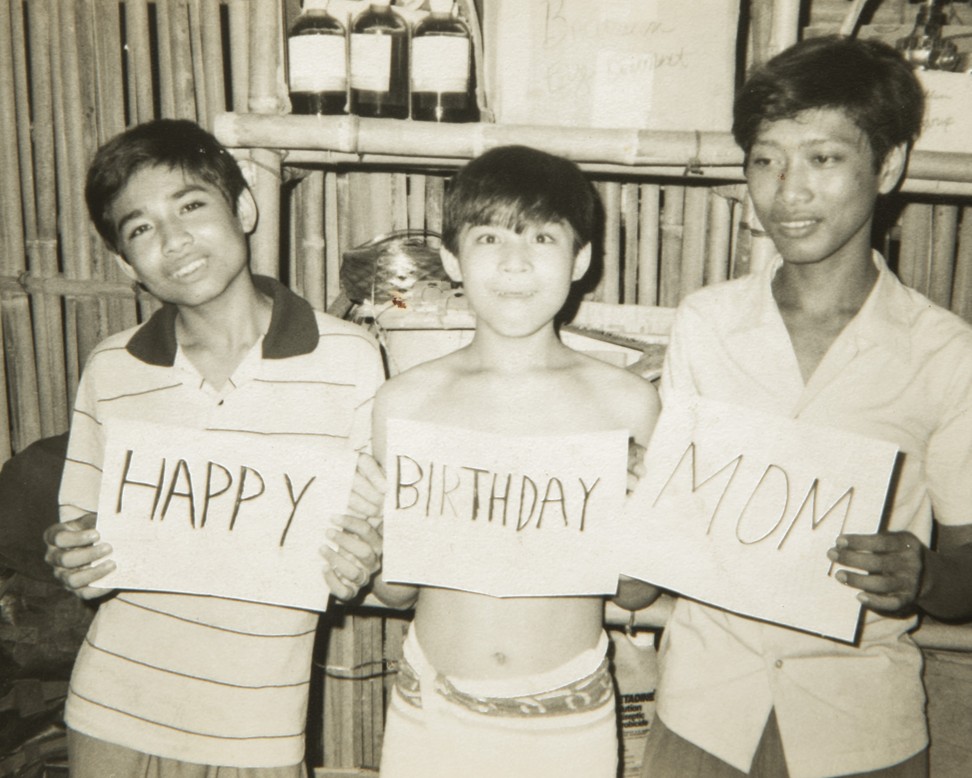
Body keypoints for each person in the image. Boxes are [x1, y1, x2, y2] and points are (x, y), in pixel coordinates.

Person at [641, 35, 972, 778]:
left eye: (823, 159)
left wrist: (922, 575)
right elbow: (660, 542)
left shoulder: (946, 354)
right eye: (765, 159)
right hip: (701, 713)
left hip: (860, 726)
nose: (787, 192)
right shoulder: (705, 323)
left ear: (888, 165)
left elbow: (966, 567)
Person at [42, 119, 385, 778]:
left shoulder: (350, 358)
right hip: (113, 714)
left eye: (191, 205)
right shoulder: (112, 367)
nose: (172, 239)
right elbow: (80, 525)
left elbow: (369, 547)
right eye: (139, 228)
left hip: (260, 729)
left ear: (245, 207)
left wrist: (363, 558)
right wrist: (71, 552)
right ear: (124, 263)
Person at [368, 145, 662, 778]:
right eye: (489, 236)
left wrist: (638, 519)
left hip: (568, 717)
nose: (515, 261)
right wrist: (368, 545)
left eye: (542, 237)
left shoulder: (627, 402)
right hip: (430, 711)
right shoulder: (405, 400)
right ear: (452, 257)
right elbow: (393, 590)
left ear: (581, 259)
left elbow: (638, 591)